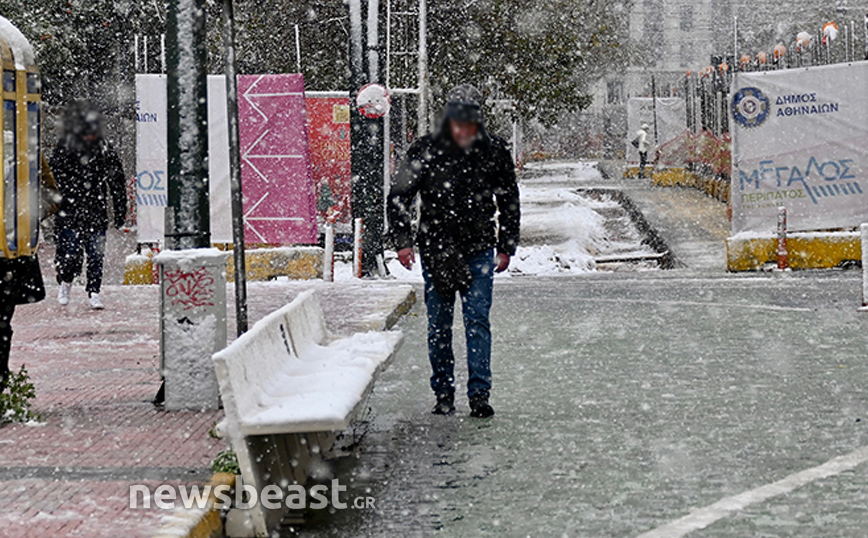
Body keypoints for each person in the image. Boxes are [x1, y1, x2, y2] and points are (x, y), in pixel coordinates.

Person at [389, 84, 520, 418]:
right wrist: (402, 240)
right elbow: (400, 195)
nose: (462, 129)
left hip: (478, 248)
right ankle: (444, 392)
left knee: (477, 321)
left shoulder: (493, 150)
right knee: (439, 325)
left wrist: (506, 246)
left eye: (469, 122)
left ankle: (479, 395)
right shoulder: (425, 149)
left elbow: (508, 199)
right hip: (437, 249)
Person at [50, 101, 127, 310]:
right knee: (70, 251)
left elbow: (117, 181)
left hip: (94, 209)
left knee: (95, 253)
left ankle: (94, 291)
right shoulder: (66, 146)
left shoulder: (104, 148)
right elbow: (54, 177)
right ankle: (66, 282)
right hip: (70, 209)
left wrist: (120, 210)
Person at [0, 157, 57, 391]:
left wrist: (25, 217)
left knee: (2, 322)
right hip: (10, 255)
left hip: (10, 254)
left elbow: (52, 196)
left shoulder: (22, 150)